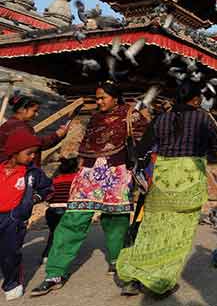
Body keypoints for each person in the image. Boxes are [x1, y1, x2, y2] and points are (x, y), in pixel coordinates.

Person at [31, 81, 148, 297]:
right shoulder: (94, 118)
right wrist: (81, 168)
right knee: (72, 219)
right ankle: (54, 274)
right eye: (97, 98)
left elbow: (145, 145)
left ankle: (120, 265)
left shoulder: (132, 115)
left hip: (117, 172)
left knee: (117, 221)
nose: (99, 101)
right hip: (88, 174)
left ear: (115, 97)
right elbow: (86, 144)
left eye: (103, 97)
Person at [116, 81, 217, 297]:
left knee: (151, 230)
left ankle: (133, 277)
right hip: (189, 178)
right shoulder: (202, 117)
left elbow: (142, 149)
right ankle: (160, 283)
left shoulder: (160, 119)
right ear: (195, 99)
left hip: (162, 178)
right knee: (179, 235)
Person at [0, 131, 52, 300]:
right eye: (28, 153)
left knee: (10, 253)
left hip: (14, 219)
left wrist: (34, 199)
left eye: (34, 153)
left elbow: (47, 188)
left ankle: (12, 283)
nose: (32, 156)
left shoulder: (32, 173)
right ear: (14, 153)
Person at [0, 94, 69, 165]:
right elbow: (37, 144)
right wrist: (57, 135)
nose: (36, 114)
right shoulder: (19, 127)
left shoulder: (9, 124)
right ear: (22, 110)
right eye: (34, 111)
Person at [41, 156, 79, 263]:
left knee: (54, 233)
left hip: (51, 211)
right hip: (68, 210)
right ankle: (61, 260)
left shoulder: (54, 180)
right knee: (67, 235)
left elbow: (48, 196)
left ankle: (46, 256)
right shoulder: (76, 179)